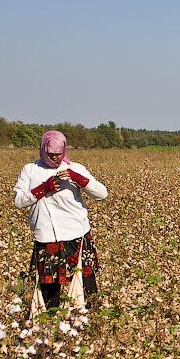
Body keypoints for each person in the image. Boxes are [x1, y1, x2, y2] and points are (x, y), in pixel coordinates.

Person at [13, 130, 107, 316]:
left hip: (77, 234)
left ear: (64, 150)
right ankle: (47, 324)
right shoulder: (30, 170)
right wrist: (43, 188)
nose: (55, 157)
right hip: (46, 235)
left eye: (58, 153)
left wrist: (79, 179)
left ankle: (89, 321)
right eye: (50, 153)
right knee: (48, 285)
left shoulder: (76, 168)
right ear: (42, 150)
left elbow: (102, 194)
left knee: (84, 282)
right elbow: (19, 201)